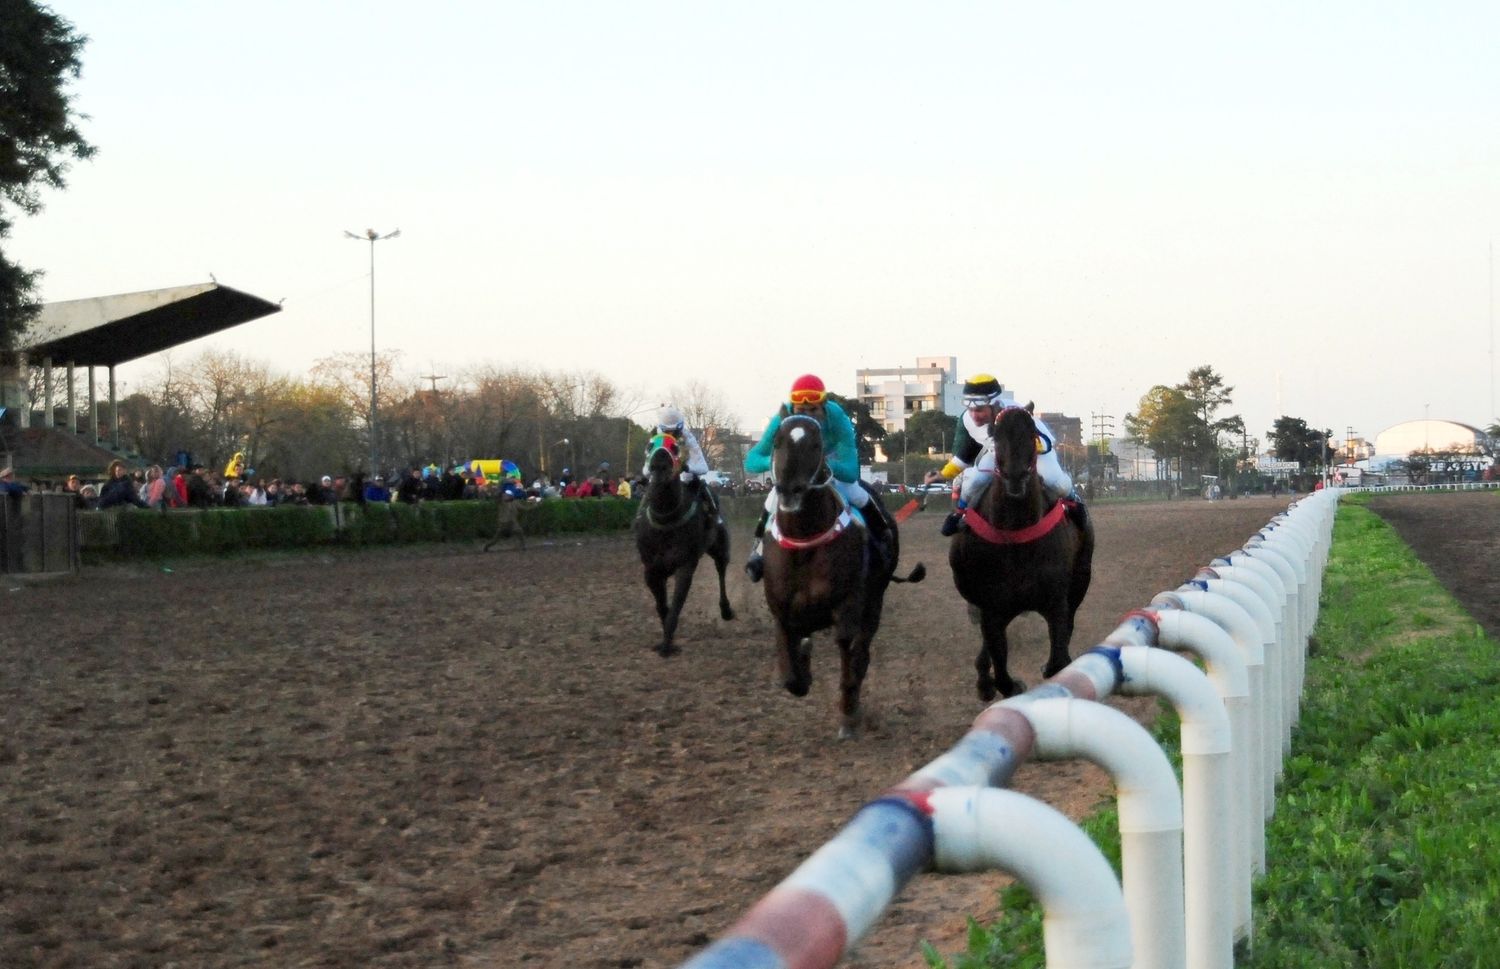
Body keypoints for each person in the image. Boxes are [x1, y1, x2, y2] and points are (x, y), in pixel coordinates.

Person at [741, 374, 890, 582]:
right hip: (795, 471)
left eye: (814, 410)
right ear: (793, 408)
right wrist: (779, 462)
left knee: (858, 494)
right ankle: (757, 551)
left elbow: (850, 471)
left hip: (829, 466)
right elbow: (752, 460)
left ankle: (882, 541)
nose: (808, 415)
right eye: (802, 410)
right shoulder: (781, 419)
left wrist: (821, 464)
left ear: (824, 406)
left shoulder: (837, 416)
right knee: (772, 498)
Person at [925, 374, 1085, 536]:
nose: (974, 415)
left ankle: (1073, 500)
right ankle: (959, 513)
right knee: (973, 480)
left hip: (1037, 450)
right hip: (999, 452)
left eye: (979, 410)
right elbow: (967, 453)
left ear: (994, 406)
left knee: (1054, 480)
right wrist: (942, 475)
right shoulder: (968, 420)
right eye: (970, 409)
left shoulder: (1017, 416)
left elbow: (1041, 445)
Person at [655, 404, 723, 523]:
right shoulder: (657, 436)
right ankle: (639, 518)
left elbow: (703, 468)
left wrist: (687, 467)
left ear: (680, 429)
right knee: (649, 494)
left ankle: (717, 520)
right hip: (664, 478)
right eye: (667, 432)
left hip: (687, 481)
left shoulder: (689, 438)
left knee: (707, 492)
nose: (670, 435)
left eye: (673, 432)